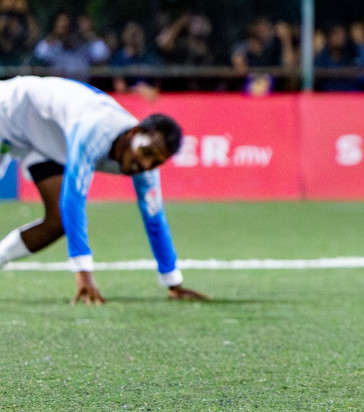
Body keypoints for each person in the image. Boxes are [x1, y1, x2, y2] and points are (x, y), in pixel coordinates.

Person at [0, 76, 208, 304]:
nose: (147, 165)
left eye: (157, 162)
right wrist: (83, 274)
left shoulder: (143, 162)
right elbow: (73, 199)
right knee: (67, 211)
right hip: (8, 112)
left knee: (59, 221)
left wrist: (173, 283)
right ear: (133, 133)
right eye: (147, 153)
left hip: (46, 140)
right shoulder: (94, 130)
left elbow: (154, 218)